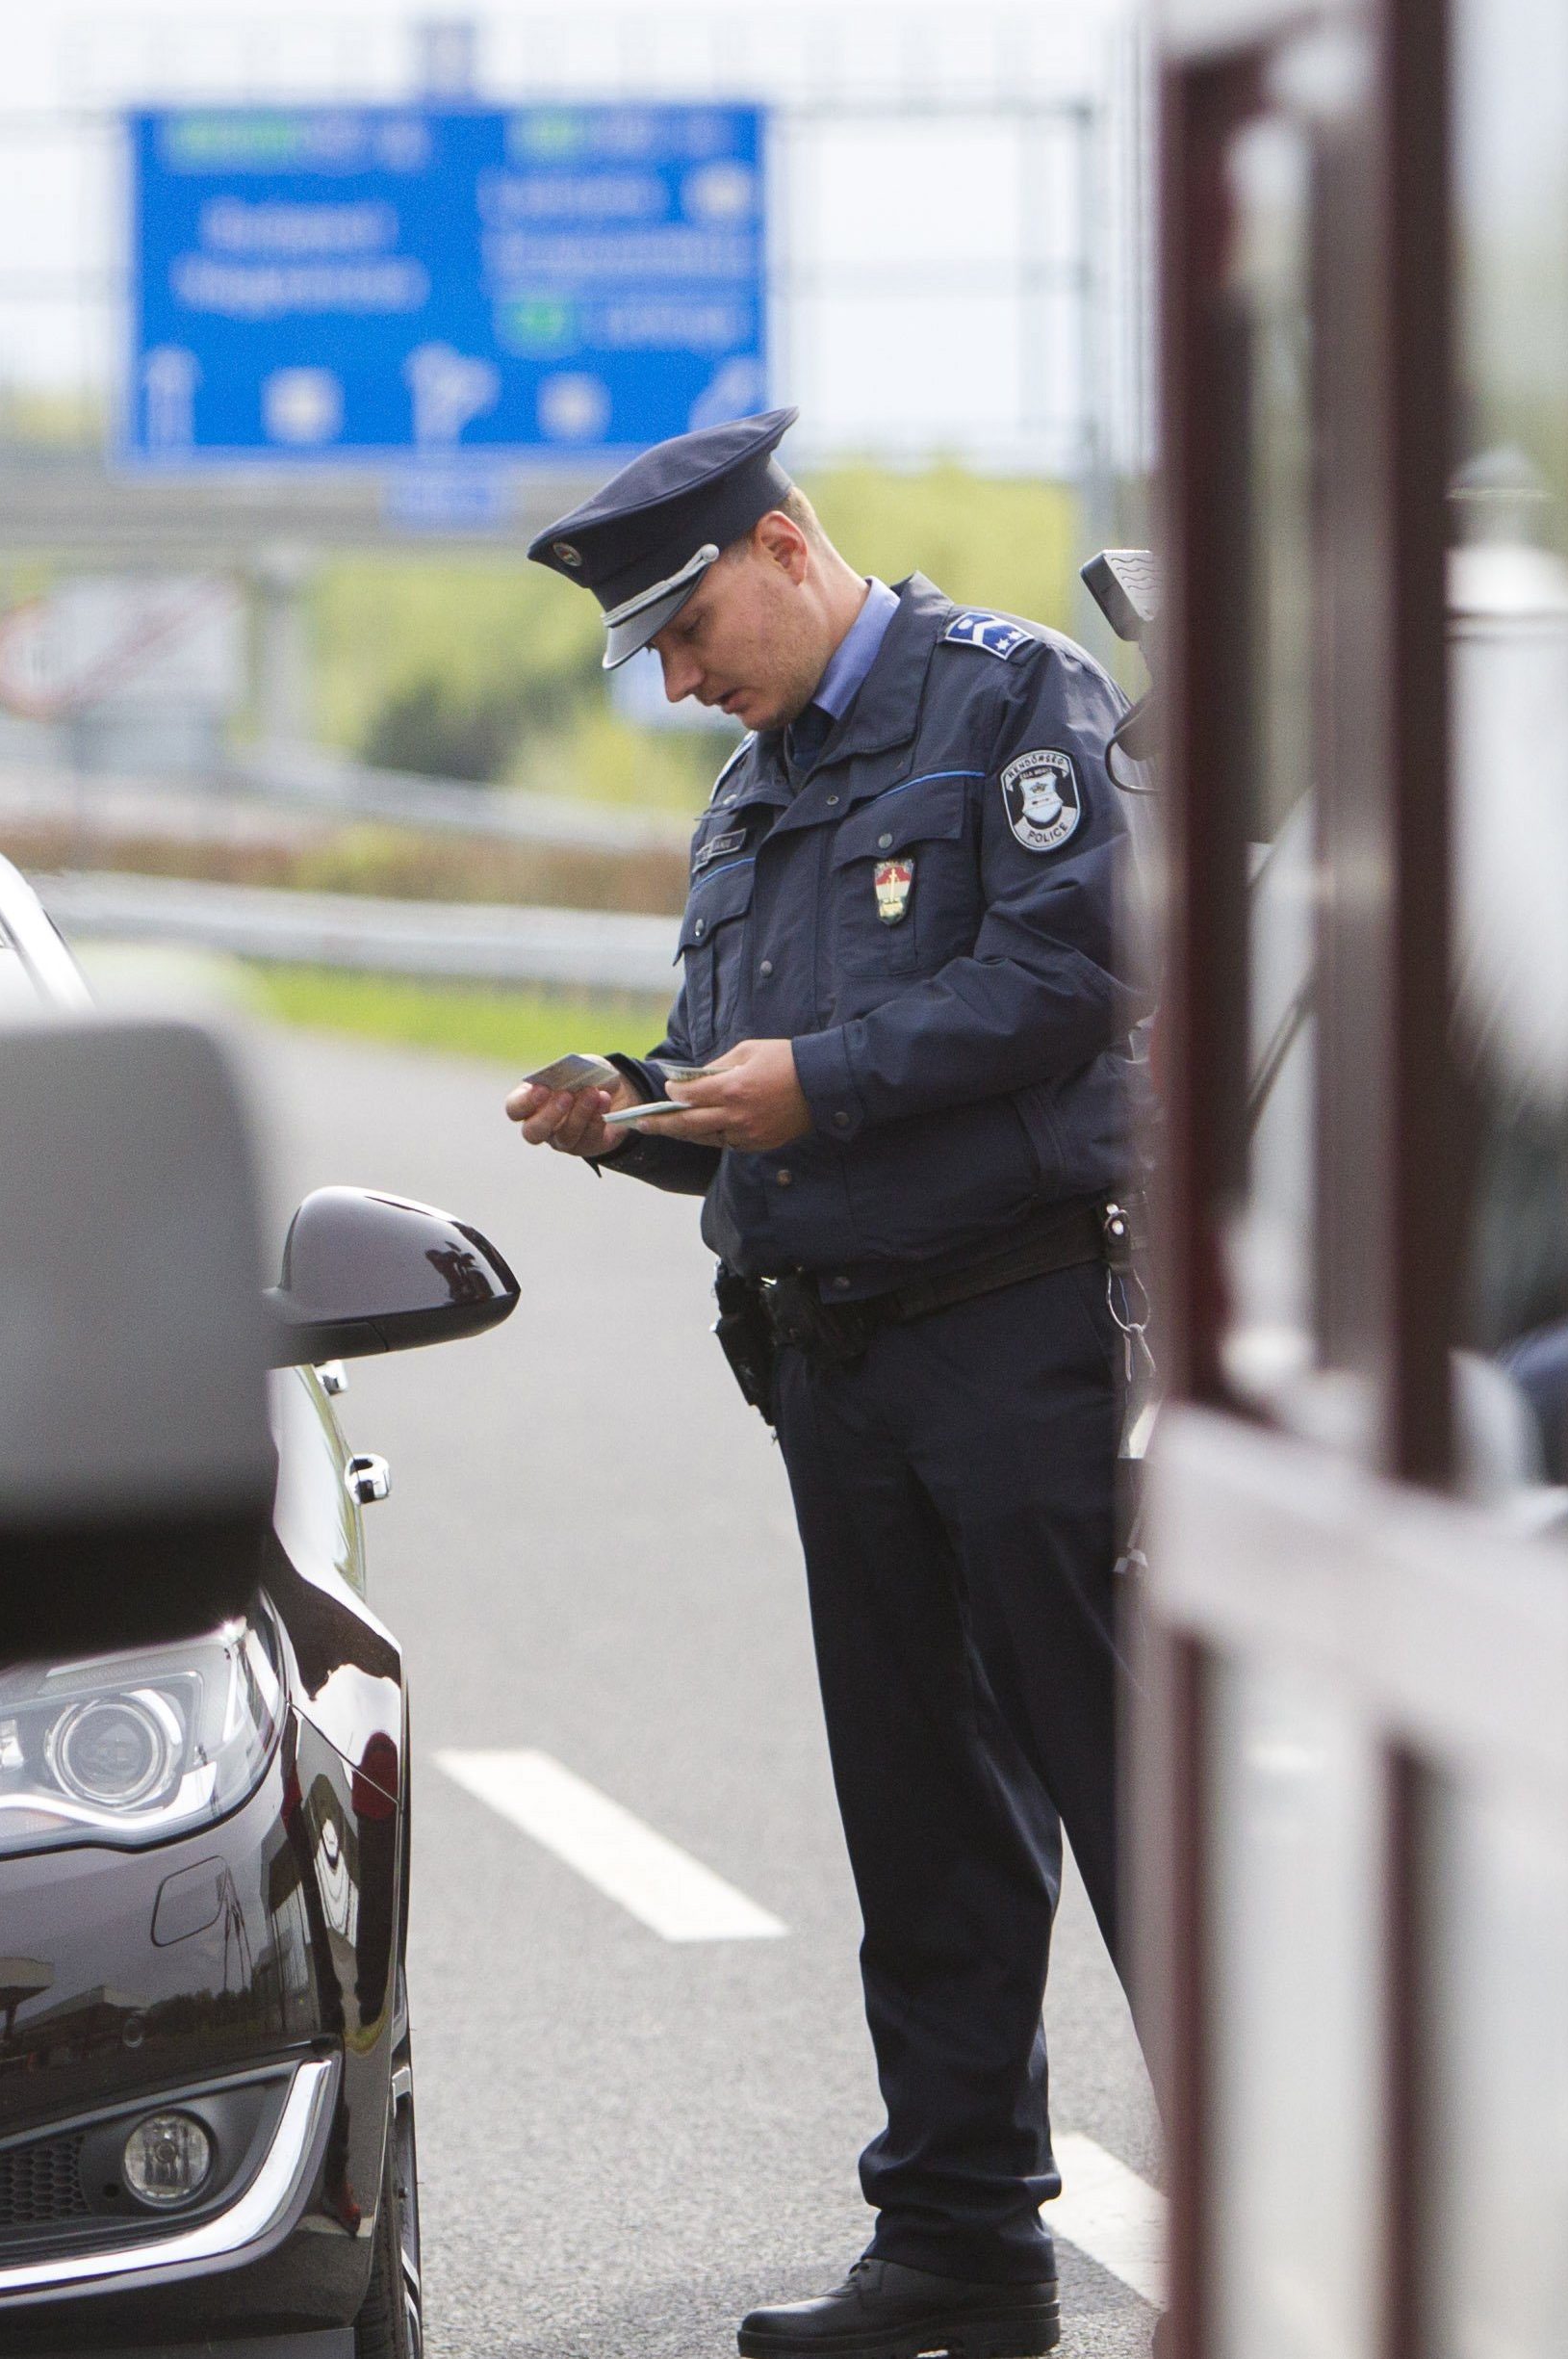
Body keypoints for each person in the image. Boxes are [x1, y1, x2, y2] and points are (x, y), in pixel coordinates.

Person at [504, 408, 1139, 2359]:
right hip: (838, 1369)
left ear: (785, 549)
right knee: (924, 1833)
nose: (682, 681)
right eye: (658, 658)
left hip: (1019, 1344)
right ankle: (962, 2242)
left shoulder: (1014, 703)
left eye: (690, 632)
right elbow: (744, 1081)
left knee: (1138, 1799)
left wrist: (819, 1084)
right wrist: (636, 1112)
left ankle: (1322, 2237)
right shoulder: (756, 799)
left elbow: (1080, 968)